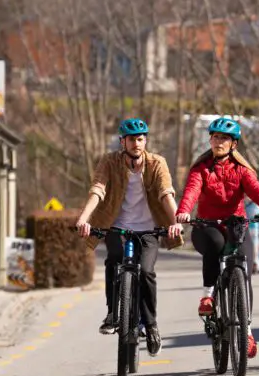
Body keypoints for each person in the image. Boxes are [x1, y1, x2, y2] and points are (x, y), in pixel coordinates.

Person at [170, 117, 259, 359]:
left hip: (236, 225)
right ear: (210, 140)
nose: (218, 141)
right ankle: (208, 296)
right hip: (207, 225)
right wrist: (184, 211)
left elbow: (257, 191)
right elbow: (191, 191)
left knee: (245, 271)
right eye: (215, 137)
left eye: (224, 138)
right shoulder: (201, 169)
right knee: (215, 244)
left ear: (234, 144)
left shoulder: (242, 170)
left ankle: (247, 331)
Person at [75, 118, 182, 356]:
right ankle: (112, 313)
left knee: (146, 272)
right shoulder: (109, 161)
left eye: (140, 139)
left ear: (146, 141)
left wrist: (175, 222)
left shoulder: (157, 163)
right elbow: (98, 189)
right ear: (122, 141)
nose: (136, 143)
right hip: (117, 227)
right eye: (132, 139)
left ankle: (151, 325)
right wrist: (83, 219)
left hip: (149, 229)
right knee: (114, 259)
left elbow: (166, 192)